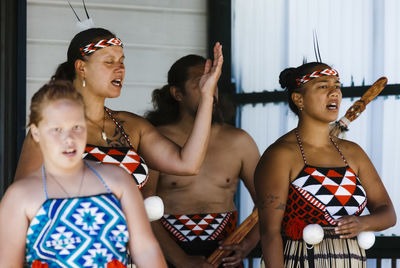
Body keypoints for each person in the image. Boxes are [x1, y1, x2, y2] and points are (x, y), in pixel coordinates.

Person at [14, 28, 223, 189]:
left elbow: (188, 164)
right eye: (109, 61)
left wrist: (206, 96)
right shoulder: (52, 128)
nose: (120, 68)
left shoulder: (133, 126)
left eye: (122, 61)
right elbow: (23, 198)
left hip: (125, 244)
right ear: (81, 68)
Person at [0, 80, 167, 267]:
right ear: (36, 133)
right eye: (56, 129)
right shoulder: (20, 196)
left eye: (77, 127)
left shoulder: (117, 179)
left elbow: (146, 250)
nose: (69, 139)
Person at [254, 62, 396, 267]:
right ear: (298, 98)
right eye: (323, 86)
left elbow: (387, 213)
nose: (334, 92)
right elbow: (270, 234)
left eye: (337, 85)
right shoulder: (280, 155)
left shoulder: (353, 153)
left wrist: (362, 223)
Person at [142, 54, 260, 268]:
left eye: (213, 81)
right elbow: (142, 207)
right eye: (200, 83)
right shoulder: (155, 140)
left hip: (226, 256)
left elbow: (269, 202)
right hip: (168, 257)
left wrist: (247, 244)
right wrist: (181, 260)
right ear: (177, 93)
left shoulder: (240, 141)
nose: (209, 88)